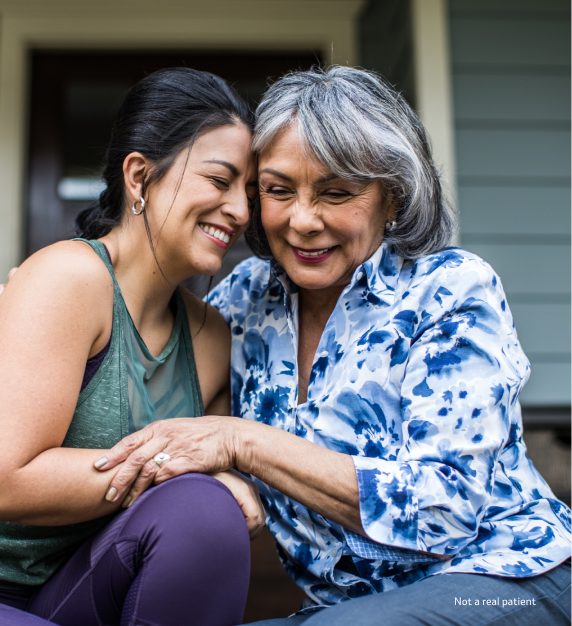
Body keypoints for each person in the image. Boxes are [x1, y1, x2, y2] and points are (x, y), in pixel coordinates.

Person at [93, 67, 572, 625]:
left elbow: (442, 511)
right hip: (344, 610)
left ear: (392, 198)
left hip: (504, 578)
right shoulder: (242, 301)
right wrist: (65, 303)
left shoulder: (449, 289)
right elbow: (149, 387)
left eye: (336, 193)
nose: (302, 221)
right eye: (276, 190)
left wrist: (243, 444)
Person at [0, 68, 266, 626]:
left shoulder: (211, 339)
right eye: (219, 181)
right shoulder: (68, 279)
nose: (241, 213)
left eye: (248, 194)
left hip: (69, 588)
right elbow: (4, 482)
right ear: (139, 176)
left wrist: (223, 480)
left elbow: (210, 485)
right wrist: (180, 467)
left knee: (205, 513)